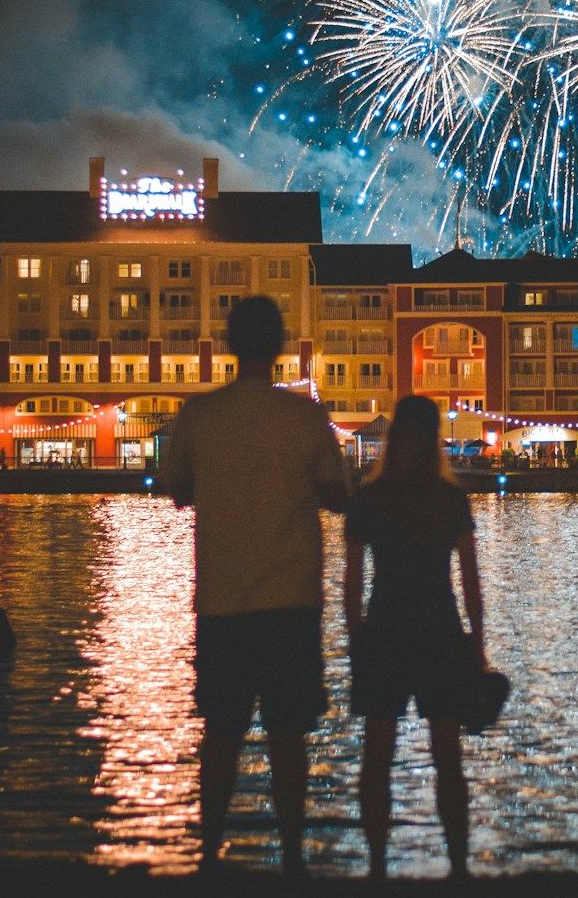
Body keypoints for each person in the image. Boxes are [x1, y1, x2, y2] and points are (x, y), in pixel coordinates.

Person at [162, 295, 348, 876]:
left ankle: (210, 855)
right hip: (292, 599)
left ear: (228, 344)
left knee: (221, 730)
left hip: (223, 599)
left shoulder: (199, 417)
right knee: (289, 734)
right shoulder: (306, 418)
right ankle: (292, 856)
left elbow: (176, 489)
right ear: (282, 347)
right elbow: (338, 495)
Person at [344, 395, 487, 880]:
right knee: (448, 756)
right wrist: (478, 642)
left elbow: (351, 581)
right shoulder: (450, 499)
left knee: (377, 755)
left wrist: (355, 637)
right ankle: (459, 866)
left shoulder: (368, 497)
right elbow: (469, 579)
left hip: (383, 629)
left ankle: (379, 866)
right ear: (435, 439)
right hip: (440, 631)